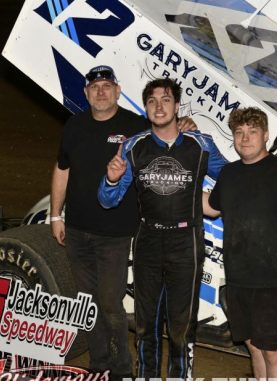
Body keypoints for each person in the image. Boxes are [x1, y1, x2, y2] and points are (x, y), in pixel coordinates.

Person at [50, 66, 194, 379]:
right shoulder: (74, 126)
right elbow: (62, 169)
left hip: (115, 234)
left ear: (117, 90)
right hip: (76, 230)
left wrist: (183, 124)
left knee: (110, 304)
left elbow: (165, 131)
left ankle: (122, 369)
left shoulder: (135, 125)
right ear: (86, 93)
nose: (101, 92)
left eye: (107, 86)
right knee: (86, 303)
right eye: (95, 87)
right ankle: (99, 364)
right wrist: (55, 214)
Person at [98, 78, 227, 379]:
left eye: (166, 99)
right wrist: (112, 179)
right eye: (152, 101)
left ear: (177, 106)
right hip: (148, 240)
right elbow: (107, 201)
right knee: (146, 325)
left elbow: (234, 178)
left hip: (187, 241)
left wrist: (210, 200)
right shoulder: (133, 147)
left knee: (182, 327)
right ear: (145, 108)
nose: (159, 106)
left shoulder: (200, 144)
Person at [203, 107, 277, 379]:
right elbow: (211, 206)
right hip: (238, 279)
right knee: (254, 348)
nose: (245, 138)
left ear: (266, 135)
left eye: (252, 132)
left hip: (274, 282)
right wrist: (177, 189)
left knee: (272, 352)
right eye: (239, 132)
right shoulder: (230, 174)